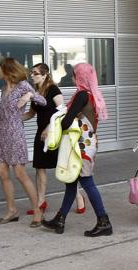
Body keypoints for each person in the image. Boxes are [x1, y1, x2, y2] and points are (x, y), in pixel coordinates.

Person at [41, 63, 112, 237]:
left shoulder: (81, 95)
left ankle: (104, 222)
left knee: (87, 182)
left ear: (79, 77)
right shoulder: (93, 95)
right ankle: (60, 218)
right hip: (87, 143)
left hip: (81, 146)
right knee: (71, 182)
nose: (72, 78)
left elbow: (66, 122)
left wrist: (55, 123)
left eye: (74, 75)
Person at [22, 63, 86, 216]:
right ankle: (41, 202)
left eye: (36, 73)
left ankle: (79, 197)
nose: (32, 76)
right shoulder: (35, 92)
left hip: (55, 133)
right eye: (32, 73)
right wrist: (14, 118)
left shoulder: (53, 89)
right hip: (41, 135)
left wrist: (48, 129)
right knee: (40, 168)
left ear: (45, 75)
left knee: (63, 167)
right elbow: (31, 113)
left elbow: (62, 111)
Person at [0, 57, 46, 227]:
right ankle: (12, 210)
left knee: (20, 174)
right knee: (2, 172)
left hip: (15, 133)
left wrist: (30, 95)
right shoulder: (3, 88)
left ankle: (38, 211)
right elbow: (2, 113)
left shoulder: (23, 86)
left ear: (7, 70)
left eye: (0, 68)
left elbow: (42, 101)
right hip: (2, 133)